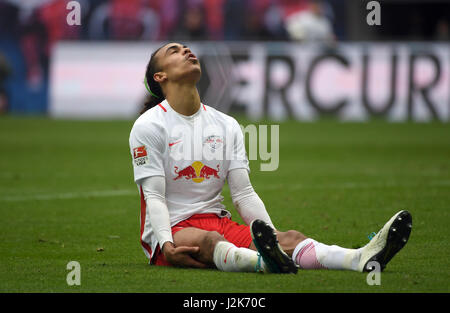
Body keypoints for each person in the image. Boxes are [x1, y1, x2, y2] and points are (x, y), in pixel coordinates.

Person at [129, 42, 412, 274]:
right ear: (160, 77)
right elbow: (154, 196)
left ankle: (359, 258)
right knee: (210, 241)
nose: (187, 51)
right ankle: (264, 264)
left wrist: (271, 238)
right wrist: (165, 244)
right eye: (174, 51)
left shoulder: (226, 124)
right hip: (174, 230)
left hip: (218, 221)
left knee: (291, 239)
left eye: (187, 47)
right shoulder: (149, 126)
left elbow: (243, 193)